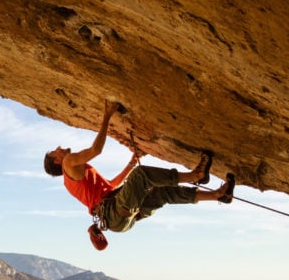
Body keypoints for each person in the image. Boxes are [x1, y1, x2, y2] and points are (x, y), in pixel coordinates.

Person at [43, 100, 235, 246]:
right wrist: (107, 115)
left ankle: (219, 195)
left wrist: (131, 164)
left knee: (162, 192)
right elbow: (95, 150)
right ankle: (196, 176)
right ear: (58, 161)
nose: (59, 147)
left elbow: (111, 186)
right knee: (143, 176)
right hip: (113, 212)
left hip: (117, 217)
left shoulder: (74, 180)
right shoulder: (69, 162)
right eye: (55, 151)